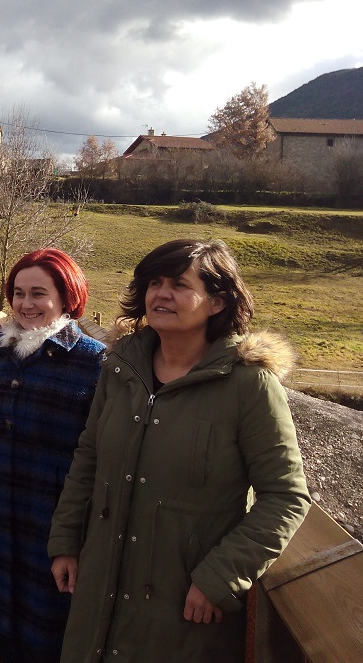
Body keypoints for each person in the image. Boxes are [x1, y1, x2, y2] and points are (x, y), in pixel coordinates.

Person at [48, 239, 311, 663]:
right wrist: (65, 540)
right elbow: (88, 458)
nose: (161, 293)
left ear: (216, 302)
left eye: (179, 284)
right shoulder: (121, 369)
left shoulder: (248, 385)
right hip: (99, 588)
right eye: (154, 282)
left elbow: (286, 497)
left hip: (181, 606)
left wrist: (221, 577)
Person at [0, 249, 106, 663]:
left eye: (39, 293)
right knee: (6, 630)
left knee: (50, 639)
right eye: (18, 293)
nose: (26, 304)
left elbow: (102, 453)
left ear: (67, 297)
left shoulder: (94, 362)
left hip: (52, 529)